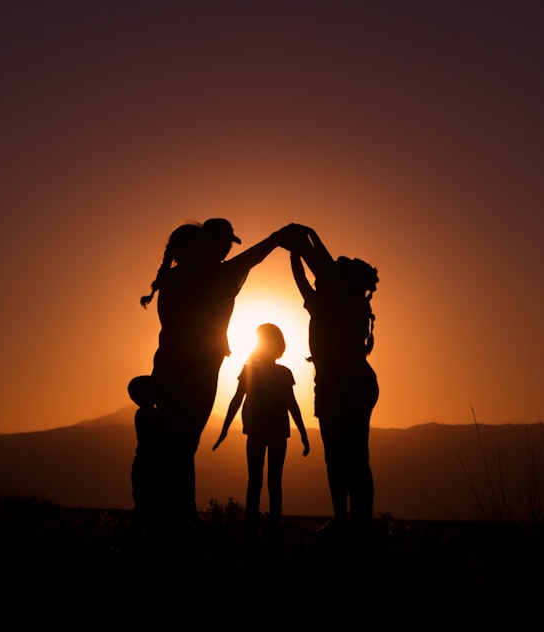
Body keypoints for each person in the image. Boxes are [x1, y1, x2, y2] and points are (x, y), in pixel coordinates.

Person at [131, 218, 299, 529]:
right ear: (203, 246)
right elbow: (250, 259)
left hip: (169, 366)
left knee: (178, 442)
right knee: (184, 442)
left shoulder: (175, 278)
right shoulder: (210, 277)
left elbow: (244, 263)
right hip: (195, 373)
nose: (224, 250)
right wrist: (276, 238)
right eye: (221, 244)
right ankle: (180, 516)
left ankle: (172, 513)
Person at [290, 226, 380, 534]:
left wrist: (299, 245)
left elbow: (313, 271)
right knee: (348, 456)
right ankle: (352, 521)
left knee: (345, 457)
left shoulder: (336, 303)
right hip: (343, 384)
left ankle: (353, 522)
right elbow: (313, 271)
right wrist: (306, 239)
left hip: (344, 385)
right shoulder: (345, 302)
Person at [212, 323, 310, 540]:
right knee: (273, 481)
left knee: (256, 480)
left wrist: (225, 430)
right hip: (272, 432)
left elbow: (238, 401)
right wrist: (303, 435)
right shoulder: (279, 373)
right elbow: (291, 405)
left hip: (260, 431)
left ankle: (255, 528)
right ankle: (269, 527)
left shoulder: (253, 370)